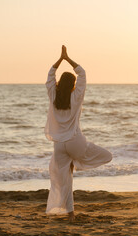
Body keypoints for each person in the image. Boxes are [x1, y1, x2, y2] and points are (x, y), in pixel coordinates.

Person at [45, 45, 112, 222]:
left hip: (59, 145)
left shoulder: (53, 97)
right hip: (76, 142)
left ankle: (70, 215)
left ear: (60, 84)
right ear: (73, 85)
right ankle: (77, 162)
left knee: (65, 181)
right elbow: (82, 73)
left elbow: (50, 77)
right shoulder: (76, 97)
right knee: (107, 156)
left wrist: (60, 60)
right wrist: (68, 59)